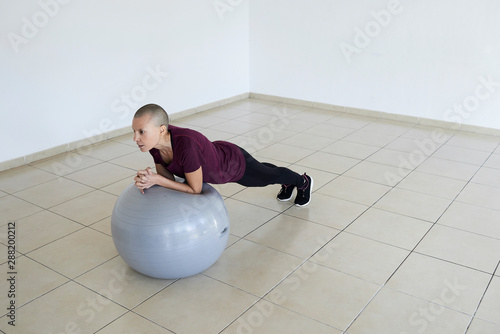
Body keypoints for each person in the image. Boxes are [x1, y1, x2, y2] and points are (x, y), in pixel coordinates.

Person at [132, 103, 313, 206]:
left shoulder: (186, 145)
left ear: (162, 129)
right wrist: (150, 179)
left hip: (233, 165)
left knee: (266, 177)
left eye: (141, 132)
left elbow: (196, 190)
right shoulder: (155, 145)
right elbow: (167, 177)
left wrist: (157, 180)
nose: (135, 138)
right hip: (217, 154)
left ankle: (303, 181)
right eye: (134, 131)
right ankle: (287, 181)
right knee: (265, 171)